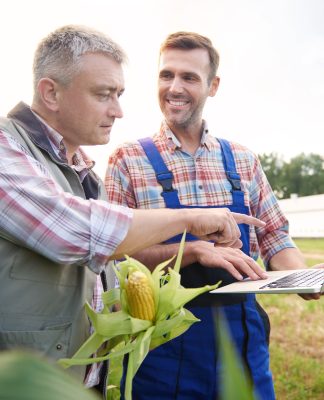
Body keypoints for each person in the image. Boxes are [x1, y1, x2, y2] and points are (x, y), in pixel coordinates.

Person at [0, 25, 266, 398]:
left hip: (74, 381)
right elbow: (75, 232)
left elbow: (109, 267)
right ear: (51, 93)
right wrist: (190, 221)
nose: (118, 110)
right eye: (104, 95)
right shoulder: (6, 148)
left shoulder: (82, 170)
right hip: (25, 382)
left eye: (119, 94)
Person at [105, 31, 322, 400]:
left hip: (242, 338)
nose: (174, 87)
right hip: (162, 344)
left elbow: (275, 238)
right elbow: (112, 253)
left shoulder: (243, 160)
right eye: (166, 75)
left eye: (189, 77)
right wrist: (191, 251)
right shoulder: (127, 160)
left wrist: (306, 280)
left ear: (213, 85)